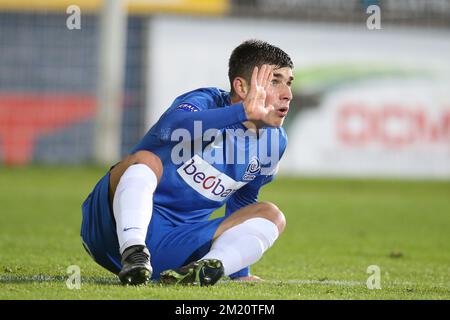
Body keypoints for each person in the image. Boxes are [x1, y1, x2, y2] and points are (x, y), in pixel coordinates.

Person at [81, 39, 294, 286]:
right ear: (242, 87)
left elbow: (243, 199)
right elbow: (169, 128)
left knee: (272, 214)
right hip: (111, 230)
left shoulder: (274, 142)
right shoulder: (205, 101)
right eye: (275, 81)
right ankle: (134, 251)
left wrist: (240, 270)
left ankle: (207, 269)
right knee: (145, 160)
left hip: (177, 245)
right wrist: (241, 113)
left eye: (289, 83)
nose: (287, 95)